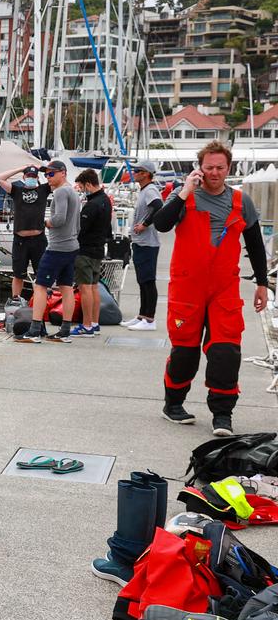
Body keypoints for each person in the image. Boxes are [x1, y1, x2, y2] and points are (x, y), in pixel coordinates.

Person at [151, 141, 270, 436]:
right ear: (199, 169)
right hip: (187, 288)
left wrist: (262, 283)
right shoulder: (186, 199)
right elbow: (161, 225)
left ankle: (222, 415)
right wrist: (183, 191)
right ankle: (173, 405)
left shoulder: (242, 202)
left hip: (224, 289)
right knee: (185, 352)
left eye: (220, 167)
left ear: (228, 168)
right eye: (209, 167)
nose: (214, 173)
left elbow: (255, 246)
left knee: (226, 352)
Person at [16, 160, 80, 343]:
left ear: (63, 173)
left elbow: (59, 219)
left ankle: (35, 330)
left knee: (40, 286)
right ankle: (65, 331)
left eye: (51, 174)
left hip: (57, 247)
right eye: (46, 175)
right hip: (71, 246)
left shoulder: (60, 192)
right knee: (66, 287)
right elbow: (76, 224)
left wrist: (45, 223)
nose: (47, 178)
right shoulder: (73, 192)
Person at [0, 163, 51, 302]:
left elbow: (60, 182)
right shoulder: (17, 191)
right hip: (20, 240)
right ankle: (15, 300)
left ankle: (42, 300)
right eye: (28, 176)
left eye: (33, 176)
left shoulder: (44, 189)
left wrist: (47, 169)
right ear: (24, 177)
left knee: (42, 273)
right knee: (18, 274)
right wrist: (20, 168)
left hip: (38, 239)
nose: (31, 178)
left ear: (37, 178)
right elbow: (0, 178)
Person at [123, 161, 164, 331]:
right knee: (142, 281)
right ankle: (142, 315)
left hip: (148, 242)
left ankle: (150, 319)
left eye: (138, 170)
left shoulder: (151, 190)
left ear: (146, 173)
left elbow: (159, 207)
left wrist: (145, 224)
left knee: (148, 281)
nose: (134, 173)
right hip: (141, 242)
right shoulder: (144, 190)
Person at [71, 169, 111, 337]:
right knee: (94, 287)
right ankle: (94, 323)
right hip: (98, 249)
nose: (81, 190)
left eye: (81, 186)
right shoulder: (106, 200)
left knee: (84, 287)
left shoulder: (92, 204)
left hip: (86, 250)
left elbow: (81, 228)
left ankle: (86, 325)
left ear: (88, 184)